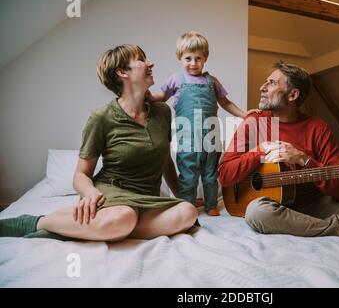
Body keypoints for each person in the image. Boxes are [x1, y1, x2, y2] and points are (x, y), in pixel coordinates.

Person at [0, 44, 197, 241]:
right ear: (122, 72)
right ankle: (36, 222)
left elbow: (165, 161)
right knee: (124, 216)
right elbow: (80, 175)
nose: (150, 63)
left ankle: (101, 229)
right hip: (111, 192)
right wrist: (91, 193)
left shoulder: (162, 111)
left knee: (188, 212)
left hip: (148, 197)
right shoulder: (101, 117)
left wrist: (182, 196)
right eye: (140, 59)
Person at [218, 62, 339, 240]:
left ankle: (306, 226)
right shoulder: (254, 122)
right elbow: (225, 175)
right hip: (271, 206)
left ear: (293, 94)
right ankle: (337, 230)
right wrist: (259, 151)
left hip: (316, 203)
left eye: (271, 83)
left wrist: (304, 159)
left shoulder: (318, 128)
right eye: (266, 82)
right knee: (257, 213)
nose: (262, 87)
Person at [148, 31, 259, 216]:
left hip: (211, 133)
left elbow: (225, 102)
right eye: (188, 58)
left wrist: (244, 114)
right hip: (186, 134)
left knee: (210, 173)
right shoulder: (176, 79)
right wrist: (149, 96)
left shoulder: (211, 81)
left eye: (198, 58)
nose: (193, 63)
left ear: (205, 58)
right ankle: (187, 206)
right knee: (188, 173)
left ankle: (211, 205)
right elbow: (162, 96)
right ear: (180, 58)